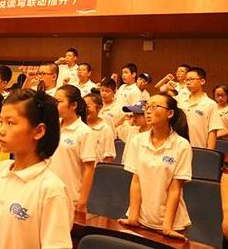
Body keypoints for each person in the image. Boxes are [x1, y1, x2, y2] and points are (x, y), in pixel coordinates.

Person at [0, 85, 73, 248]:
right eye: (2, 122)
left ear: (38, 131)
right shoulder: (1, 170)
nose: (2, 131)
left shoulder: (51, 189)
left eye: (11, 123)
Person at [119, 93, 192, 239]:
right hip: (141, 220)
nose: (148, 110)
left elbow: (175, 188)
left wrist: (167, 227)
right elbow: (136, 180)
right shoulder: (137, 140)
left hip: (170, 222)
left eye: (154, 106)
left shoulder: (181, 145)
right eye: (147, 107)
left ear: (170, 113)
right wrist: (133, 217)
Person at [50, 85, 96, 211]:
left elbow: (89, 169)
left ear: (73, 105)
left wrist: (82, 201)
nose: (55, 105)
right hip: (49, 194)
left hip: (70, 198)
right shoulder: (52, 128)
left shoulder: (84, 132)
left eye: (59, 102)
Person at [178, 67, 222, 149]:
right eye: (186, 80)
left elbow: (212, 132)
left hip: (198, 148)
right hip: (179, 149)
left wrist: (209, 154)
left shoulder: (210, 104)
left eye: (191, 79)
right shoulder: (180, 100)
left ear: (202, 81)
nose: (187, 82)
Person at [84, 93, 115, 163]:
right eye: (83, 106)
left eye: (88, 106)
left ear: (99, 108)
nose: (85, 109)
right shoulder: (80, 127)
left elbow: (109, 158)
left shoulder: (105, 129)